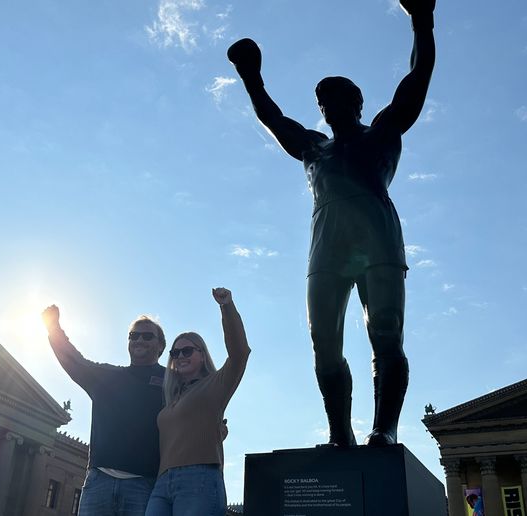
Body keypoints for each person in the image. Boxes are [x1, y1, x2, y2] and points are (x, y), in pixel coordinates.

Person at [227, 0, 435, 446]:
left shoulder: (382, 131)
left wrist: (422, 20)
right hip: (327, 248)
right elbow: (273, 118)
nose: (326, 106)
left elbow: (417, 79)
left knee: (385, 334)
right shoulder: (313, 148)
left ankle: (384, 428)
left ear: (357, 103)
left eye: (335, 98)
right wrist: (251, 77)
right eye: (321, 101)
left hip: (378, 241)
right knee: (324, 343)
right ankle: (341, 432)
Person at [42, 306, 167, 516]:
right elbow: (74, 361)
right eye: (134, 336)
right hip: (99, 483)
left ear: (160, 346)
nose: (139, 340)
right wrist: (53, 327)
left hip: (145, 485)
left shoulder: (172, 381)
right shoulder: (107, 377)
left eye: (147, 336)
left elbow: (199, 405)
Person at [145, 287, 250, 516]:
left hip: (198, 478)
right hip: (162, 484)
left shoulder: (215, 384)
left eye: (187, 351)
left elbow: (240, 353)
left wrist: (227, 307)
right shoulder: (171, 396)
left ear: (202, 355)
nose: (180, 356)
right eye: (175, 353)